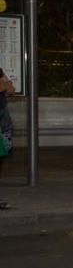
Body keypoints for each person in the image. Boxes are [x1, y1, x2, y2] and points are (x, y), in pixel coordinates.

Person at [0, 67, 14, 209]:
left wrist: (4, 84)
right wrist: (3, 84)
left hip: (3, 120)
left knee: (1, 156)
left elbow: (11, 88)